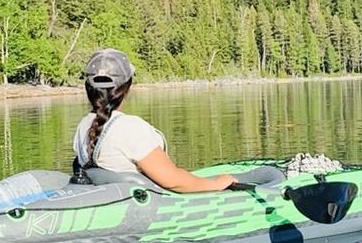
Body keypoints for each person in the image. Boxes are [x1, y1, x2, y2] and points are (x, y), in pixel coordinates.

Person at [73, 48, 238, 193]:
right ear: (125, 89)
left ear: (89, 89)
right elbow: (173, 181)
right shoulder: (129, 127)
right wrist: (216, 184)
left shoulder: (83, 125)